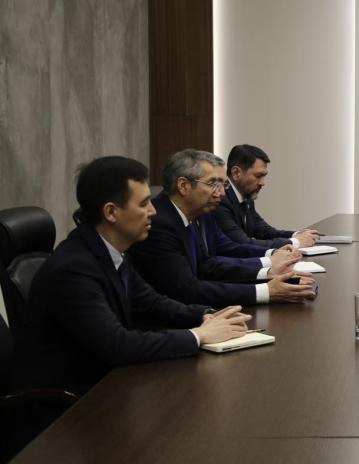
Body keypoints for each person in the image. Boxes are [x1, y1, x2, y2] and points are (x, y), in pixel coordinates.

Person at [21, 156, 251, 392]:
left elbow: (151, 303)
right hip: (74, 402)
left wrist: (206, 316)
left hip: (111, 382)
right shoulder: (74, 269)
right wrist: (198, 336)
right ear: (111, 212)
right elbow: (117, 344)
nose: (153, 211)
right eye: (143, 204)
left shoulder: (111, 252)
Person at [130, 150, 317, 307]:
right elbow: (187, 290)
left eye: (223, 185)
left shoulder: (194, 213)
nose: (221, 193)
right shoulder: (160, 224)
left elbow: (207, 266)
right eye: (213, 184)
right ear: (183, 186)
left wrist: (268, 273)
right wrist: (265, 291)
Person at [215, 144, 319, 248]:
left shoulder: (246, 196)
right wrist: (295, 242)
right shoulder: (220, 199)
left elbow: (264, 231)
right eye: (258, 176)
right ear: (236, 173)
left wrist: (297, 235)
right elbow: (242, 243)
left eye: (264, 176)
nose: (262, 183)